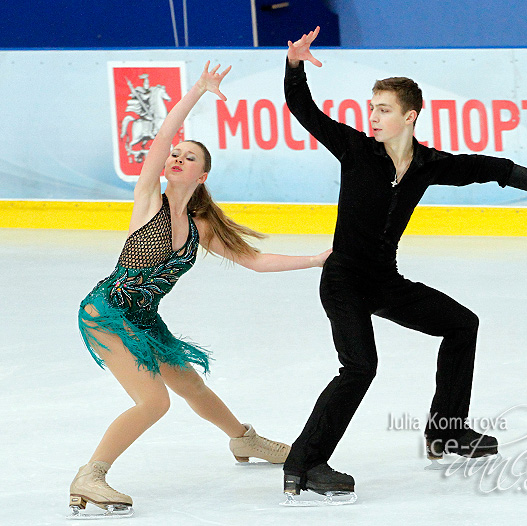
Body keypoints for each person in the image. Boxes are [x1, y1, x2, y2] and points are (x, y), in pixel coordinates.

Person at [281, 27, 527, 498]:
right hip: (344, 280)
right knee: (359, 368)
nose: (372, 116)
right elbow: (305, 110)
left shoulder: (426, 164)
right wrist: (295, 65)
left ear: (410, 116)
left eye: (383, 109)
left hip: (384, 280)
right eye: (371, 107)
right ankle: (305, 463)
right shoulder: (356, 150)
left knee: (461, 325)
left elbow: (483, 167)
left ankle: (447, 431)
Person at [69, 61, 331, 517]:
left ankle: (244, 440)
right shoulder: (149, 196)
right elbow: (162, 135)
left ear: (202, 176)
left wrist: (316, 259)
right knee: (154, 402)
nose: (177, 158)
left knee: (192, 385)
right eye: (177, 154)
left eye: (189, 158)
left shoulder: (200, 227)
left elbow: (256, 261)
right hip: (106, 311)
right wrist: (198, 90)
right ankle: (91, 475)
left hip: (145, 319)